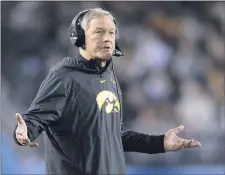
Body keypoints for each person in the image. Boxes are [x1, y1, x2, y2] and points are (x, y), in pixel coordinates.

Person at [13, 8, 201, 175]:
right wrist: (23, 132)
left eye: (111, 32)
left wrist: (160, 144)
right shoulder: (64, 77)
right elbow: (35, 119)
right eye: (99, 32)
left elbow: (115, 135)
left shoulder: (109, 77)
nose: (107, 38)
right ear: (79, 37)